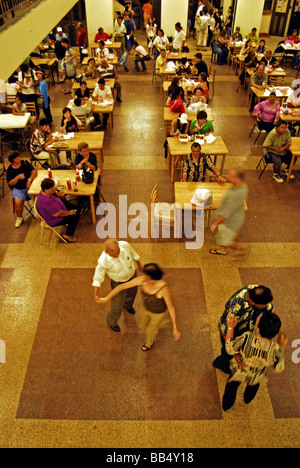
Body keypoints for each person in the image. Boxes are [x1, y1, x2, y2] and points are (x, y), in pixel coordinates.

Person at [98, 263, 180, 351]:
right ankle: (156, 327)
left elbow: (171, 307)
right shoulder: (142, 280)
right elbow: (122, 286)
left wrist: (175, 327)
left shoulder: (163, 288)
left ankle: (149, 343)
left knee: (150, 330)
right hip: (146, 309)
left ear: (152, 277)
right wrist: (107, 298)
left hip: (158, 314)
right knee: (143, 324)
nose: (142, 276)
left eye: (145, 275)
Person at [222, 312, 287, 411]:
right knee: (253, 387)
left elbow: (230, 349)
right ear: (274, 334)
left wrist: (230, 328)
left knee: (231, 388)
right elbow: (279, 367)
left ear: (258, 328)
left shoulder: (247, 338)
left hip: (239, 371)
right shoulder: (274, 349)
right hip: (257, 375)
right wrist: (282, 345)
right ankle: (248, 399)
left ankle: (227, 406)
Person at [213, 284, 274, 374]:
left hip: (246, 327)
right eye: (262, 305)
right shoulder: (235, 308)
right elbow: (227, 332)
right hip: (232, 330)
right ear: (253, 302)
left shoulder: (256, 292)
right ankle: (220, 363)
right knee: (227, 354)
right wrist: (235, 354)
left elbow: (269, 308)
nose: (265, 307)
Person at [93, 239, 143, 332]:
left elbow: (133, 254)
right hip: (118, 282)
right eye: (114, 255)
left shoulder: (125, 245)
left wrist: (139, 264)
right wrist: (96, 294)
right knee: (116, 306)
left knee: (132, 294)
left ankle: (128, 305)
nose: (117, 256)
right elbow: (98, 277)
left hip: (132, 276)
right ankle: (112, 322)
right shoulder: (103, 260)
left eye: (118, 253)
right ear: (106, 252)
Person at [210, 168, 248, 256]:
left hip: (230, 221)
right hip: (237, 215)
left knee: (226, 240)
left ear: (238, 179)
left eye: (231, 176)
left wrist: (215, 223)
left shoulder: (234, 195)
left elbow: (226, 214)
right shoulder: (243, 186)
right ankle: (222, 249)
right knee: (224, 237)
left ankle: (241, 248)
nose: (228, 177)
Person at [36, 178, 80, 243]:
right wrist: (69, 213)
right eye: (52, 188)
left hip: (57, 209)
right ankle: (68, 235)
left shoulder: (43, 192)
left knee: (69, 203)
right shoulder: (47, 201)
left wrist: (56, 194)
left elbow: (53, 197)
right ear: (46, 189)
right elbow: (57, 214)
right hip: (54, 219)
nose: (54, 188)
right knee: (74, 217)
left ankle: (78, 210)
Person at [6, 152, 37, 228]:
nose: (19, 158)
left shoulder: (25, 163)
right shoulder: (10, 170)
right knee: (18, 202)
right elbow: (10, 183)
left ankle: (40, 213)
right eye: (17, 158)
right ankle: (19, 218)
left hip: (29, 186)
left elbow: (34, 171)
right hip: (18, 189)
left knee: (39, 197)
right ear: (13, 161)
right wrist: (18, 177)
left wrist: (29, 180)